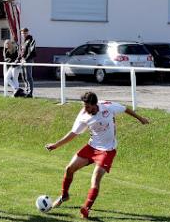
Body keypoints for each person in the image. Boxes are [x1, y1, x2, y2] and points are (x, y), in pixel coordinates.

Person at [45, 91, 149, 219]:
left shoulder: (107, 106)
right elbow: (73, 133)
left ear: (95, 105)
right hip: (91, 147)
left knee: (95, 179)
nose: (85, 109)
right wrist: (56, 145)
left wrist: (140, 119)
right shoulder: (83, 115)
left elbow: (125, 109)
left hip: (107, 151)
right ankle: (64, 195)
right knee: (69, 169)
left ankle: (86, 208)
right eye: (84, 106)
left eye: (88, 106)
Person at [19, 28, 36, 98]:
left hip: (28, 60)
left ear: (28, 32)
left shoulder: (31, 40)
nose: (24, 34)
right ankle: (27, 91)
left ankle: (30, 93)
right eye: (22, 33)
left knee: (28, 76)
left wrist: (25, 59)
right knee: (23, 76)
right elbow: (22, 52)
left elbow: (30, 52)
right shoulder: (23, 41)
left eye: (25, 33)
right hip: (23, 60)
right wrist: (20, 59)